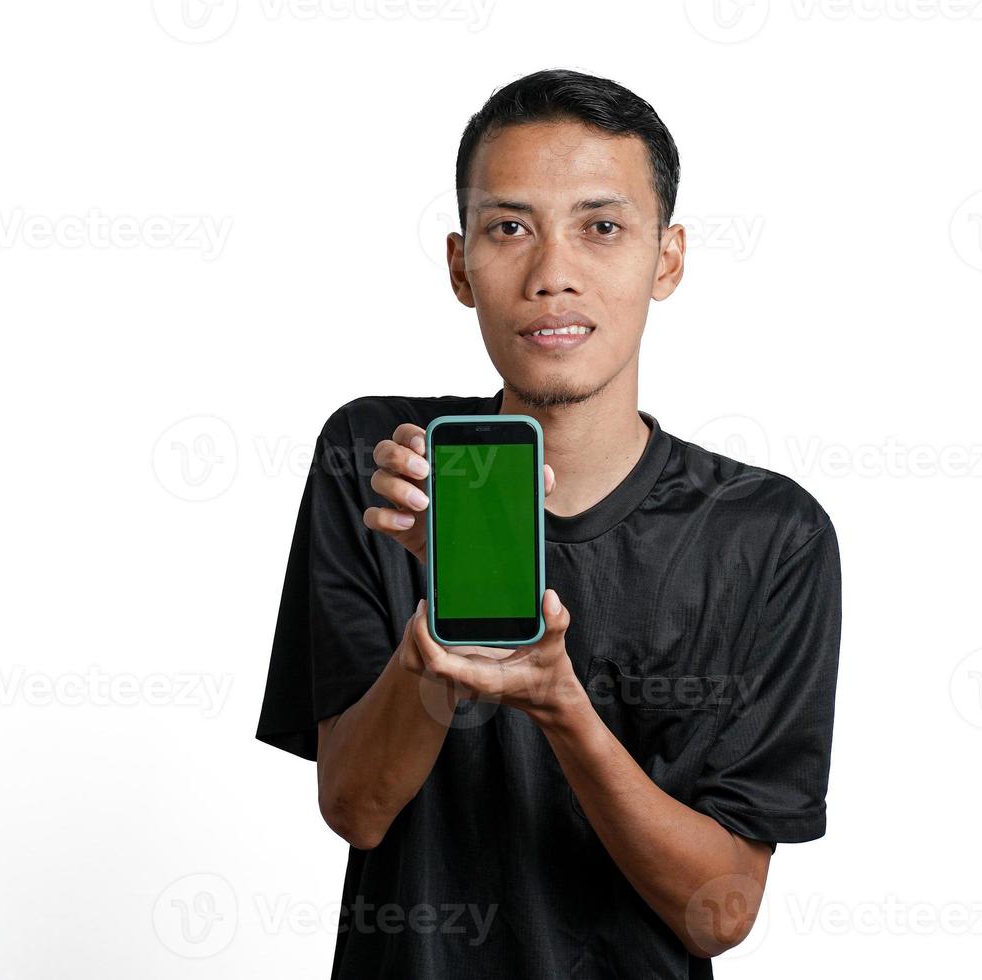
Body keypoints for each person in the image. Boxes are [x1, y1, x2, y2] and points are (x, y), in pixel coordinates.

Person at [256, 67, 842, 979]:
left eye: (601, 227)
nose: (553, 274)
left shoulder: (768, 536)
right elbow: (357, 808)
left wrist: (562, 705)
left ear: (669, 258)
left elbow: (721, 912)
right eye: (509, 228)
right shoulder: (380, 466)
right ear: (460, 264)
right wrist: (430, 660)